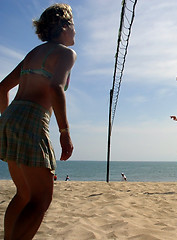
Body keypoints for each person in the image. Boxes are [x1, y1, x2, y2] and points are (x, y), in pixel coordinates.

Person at [0, 4, 76, 239]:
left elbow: (2, 88)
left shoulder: (33, 53)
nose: (75, 30)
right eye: (73, 24)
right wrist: (64, 131)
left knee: (23, 194)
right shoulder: (65, 53)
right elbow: (55, 87)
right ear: (64, 26)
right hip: (33, 118)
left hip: (11, 117)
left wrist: (9, 119)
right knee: (41, 199)